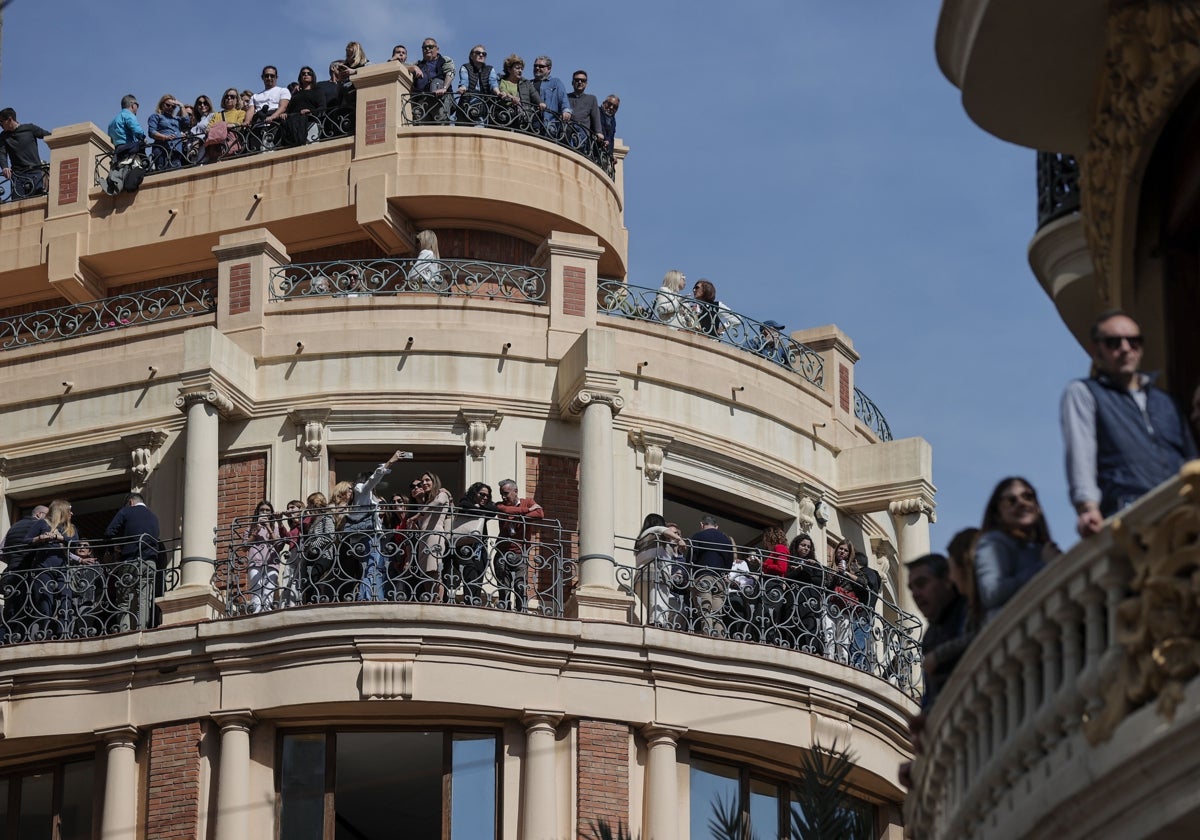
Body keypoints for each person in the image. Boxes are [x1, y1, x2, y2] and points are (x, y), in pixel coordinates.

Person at [1062, 310, 1198, 537]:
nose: (1125, 348)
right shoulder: (1084, 393)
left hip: (1181, 512)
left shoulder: (1165, 402)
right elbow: (1080, 452)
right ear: (1097, 350)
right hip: (1128, 514)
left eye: (1133, 342)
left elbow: (1191, 458)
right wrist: (1087, 507)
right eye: (1114, 342)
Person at [974, 477, 1058, 623]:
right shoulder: (993, 542)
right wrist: (1042, 567)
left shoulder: (1041, 548)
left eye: (1028, 497)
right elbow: (992, 593)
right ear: (997, 512)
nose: (1021, 503)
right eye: (1011, 501)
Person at [906, 552, 967, 711]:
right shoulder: (930, 637)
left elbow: (979, 639)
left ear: (947, 580)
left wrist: (939, 656)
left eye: (922, 583)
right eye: (911, 588)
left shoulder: (969, 610)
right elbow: (932, 693)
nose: (915, 595)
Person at [345, 451, 409, 601]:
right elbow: (374, 478)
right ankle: (369, 599)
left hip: (370, 536)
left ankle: (372, 596)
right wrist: (390, 461)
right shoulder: (361, 488)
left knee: (374, 567)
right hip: (367, 535)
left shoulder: (366, 496)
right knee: (372, 567)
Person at [104, 491, 163, 631]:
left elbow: (109, 532)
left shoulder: (126, 511)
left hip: (131, 561)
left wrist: (115, 548)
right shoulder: (153, 517)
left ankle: (124, 630)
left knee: (124, 599)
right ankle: (141, 629)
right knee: (144, 598)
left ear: (130, 502)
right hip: (150, 562)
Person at [29, 499, 78, 638]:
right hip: (43, 567)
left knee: (66, 598)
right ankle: (45, 632)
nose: (72, 513)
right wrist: (40, 538)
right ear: (61, 510)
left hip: (62, 567)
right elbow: (26, 540)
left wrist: (60, 538)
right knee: (45, 600)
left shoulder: (71, 528)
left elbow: (75, 543)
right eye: (69, 510)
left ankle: (63, 631)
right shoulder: (42, 523)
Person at [494, 479, 545, 611]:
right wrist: (527, 511)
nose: (503, 497)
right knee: (503, 587)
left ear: (515, 491)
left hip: (520, 552)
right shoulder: (501, 504)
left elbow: (540, 513)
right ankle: (505, 610)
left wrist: (519, 514)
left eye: (506, 493)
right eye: (501, 494)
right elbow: (505, 510)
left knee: (520, 585)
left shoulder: (527, 501)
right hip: (502, 551)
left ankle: (521, 610)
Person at [1, 504, 49, 641]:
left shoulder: (14, 527)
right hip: (29, 572)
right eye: (47, 516)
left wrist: (13, 559)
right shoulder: (40, 525)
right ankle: (24, 638)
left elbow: (1, 551)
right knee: (29, 607)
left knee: (11, 608)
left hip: (12, 571)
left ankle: (4, 639)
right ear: (39, 515)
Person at [448, 482, 498, 605]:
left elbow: (494, 510)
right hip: (465, 546)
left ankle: (475, 600)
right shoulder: (465, 501)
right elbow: (464, 506)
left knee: (480, 571)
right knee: (470, 571)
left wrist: (478, 509)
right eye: (482, 494)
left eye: (487, 495)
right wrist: (480, 510)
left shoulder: (486, 506)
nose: (485, 498)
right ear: (474, 493)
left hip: (480, 547)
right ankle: (469, 600)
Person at [823, 538, 868, 664]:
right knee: (829, 634)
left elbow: (863, 583)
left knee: (844, 640)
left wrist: (846, 573)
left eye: (845, 550)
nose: (842, 552)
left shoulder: (853, 569)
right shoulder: (829, 568)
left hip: (845, 608)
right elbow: (826, 585)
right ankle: (829, 661)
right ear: (836, 550)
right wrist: (836, 573)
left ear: (849, 554)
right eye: (840, 549)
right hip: (831, 606)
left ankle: (842, 664)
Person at [688, 515, 734, 635]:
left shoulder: (698, 536)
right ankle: (719, 637)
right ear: (716, 526)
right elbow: (729, 561)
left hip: (703, 576)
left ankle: (707, 635)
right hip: (719, 580)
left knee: (705, 609)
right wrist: (724, 573)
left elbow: (691, 559)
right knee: (717, 613)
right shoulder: (726, 540)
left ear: (702, 525)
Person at [784, 533, 825, 654]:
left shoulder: (815, 563)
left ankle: (809, 649)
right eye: (803, 545)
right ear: (796, 546)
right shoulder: (789, 559)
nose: (805, 548)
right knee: (792, 622)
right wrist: (800, 569)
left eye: (808, 546)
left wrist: (806, 568)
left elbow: (819, 581)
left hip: (809, 600)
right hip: (793, 598)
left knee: (809, 624)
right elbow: (787, 577)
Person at [244, 500, 285, 614]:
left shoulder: (276, 529)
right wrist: (256, 530)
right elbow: (244, 547)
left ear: (271, 513)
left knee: (269, 593)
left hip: (272, 563)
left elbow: (279, 546)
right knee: (256, 593)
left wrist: (268, 527)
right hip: (255, 563)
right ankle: (256, 615)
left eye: (267, 510)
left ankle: (266, 613)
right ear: (258, 512)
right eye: (262, 510)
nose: (265, 512)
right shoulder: (250, 528)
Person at [0, 108, 50, 198]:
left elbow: (48, 136)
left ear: (10, 119)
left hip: (35, 173)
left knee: (36, 202)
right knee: (17, 203)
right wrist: (4, 167)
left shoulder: (29, 129)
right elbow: (2, 153)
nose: (0, 125)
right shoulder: (3, 136)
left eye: (1, 122)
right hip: (17, 176)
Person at [300, 492, 337, 604]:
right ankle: (310, 602)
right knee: (308, 579)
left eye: (309, 504)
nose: (307, 508)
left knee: (314, 575)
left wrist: (313, 545)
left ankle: (315, 602)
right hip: (313, 555)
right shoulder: (315, 519)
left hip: (325, 554)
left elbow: (330, 536)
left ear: (314, 504)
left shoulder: (327, 516)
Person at [280, 67, 327, 148]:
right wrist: (285, 114)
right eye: (303, 73)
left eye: (309, 73)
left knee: (311, 149)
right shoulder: (296, 94)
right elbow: (289, 108)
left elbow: (323, 107)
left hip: (310, 123)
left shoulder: (317, 92)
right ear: (300, 77)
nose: (306, 75)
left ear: (313, 76)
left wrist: (310, 111)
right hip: (294, 126)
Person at [851, 551, 882, 671]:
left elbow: (868, 583)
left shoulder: (868, 572)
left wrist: (851, 575)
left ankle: (857, 668)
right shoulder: (872, 573)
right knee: (862, 642)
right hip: (866, 614)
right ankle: (860, 666)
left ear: (855, 562)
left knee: (858, 643)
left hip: (862, 614)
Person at [413, 38, 456, 123]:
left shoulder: (444, 60)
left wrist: (444, 88)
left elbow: (450, 73)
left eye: (430, 47)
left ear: (437, 49)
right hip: (422, 101)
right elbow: (403, 66)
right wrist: (413, 67)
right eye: (425, 47)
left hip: (440, 99)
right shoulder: (418, 64)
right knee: (420, 131)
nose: (427, 49)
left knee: (441, 126)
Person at [456, 45, 499, 124]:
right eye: (478, 53)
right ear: (471, 56)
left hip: (483, 107)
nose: (481, 55)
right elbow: (464, 80)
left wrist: (498, 92)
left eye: (484, 54)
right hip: (466, 104)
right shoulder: (466, 67)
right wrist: (463, 87)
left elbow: (493, 83)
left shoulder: (489, 69)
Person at [147, 94, 191, 169]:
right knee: (162, 174)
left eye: (173, 107)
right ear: (161, 104)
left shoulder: (176, 119)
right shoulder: (156, 116)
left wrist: (181, 106)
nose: (170, 108)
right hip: (162, 151)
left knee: (176, 176)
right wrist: (165, 137)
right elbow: (151, 132)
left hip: (176, 151)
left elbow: (186, 122)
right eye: (168, 105)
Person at [530, 55, 571, 134]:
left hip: (548, 127)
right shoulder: (528, 84)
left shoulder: (556, 83)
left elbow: (563, 100)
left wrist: (567, 112)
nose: (537, 68)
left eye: (541, 66)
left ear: (549, 69)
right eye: (535, 66)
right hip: (529, 124)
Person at [497, 55, 542, 127]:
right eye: (517, 68)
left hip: (523, 120)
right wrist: (511, 98)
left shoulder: (526, 83)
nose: (520, 71)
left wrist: (541, 102)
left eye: (521, 68)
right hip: (506, 117)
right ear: (509, 69)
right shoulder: (502, 81)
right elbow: (503, 94)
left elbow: (534, 94)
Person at [565, 70, 603, 143]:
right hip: (566, 131)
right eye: (577, 80)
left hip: (582, 135)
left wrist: (599, 132)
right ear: (572, 82)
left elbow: (596, 117)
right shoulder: (565, 97)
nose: (580, 82)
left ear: (586, 84)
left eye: (583, 80)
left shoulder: (591, 99)